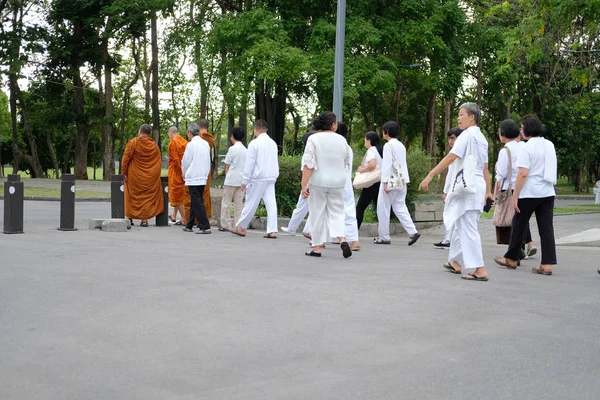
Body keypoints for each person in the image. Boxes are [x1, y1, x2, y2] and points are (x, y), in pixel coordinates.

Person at [419, 102, 492, 282]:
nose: (458, 118)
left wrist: (430, 174)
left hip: (466, 187)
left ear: (471, 117)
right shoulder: (482, 138)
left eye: (461, 114)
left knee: (467, 228)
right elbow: (485, 168)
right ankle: (455, 261)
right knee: (462, 225)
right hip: (476, 185)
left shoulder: (467, 135)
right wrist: (487, 190)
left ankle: (480, 269)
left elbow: (452, 156)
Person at [494, 114, 557, 276]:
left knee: (519, 224)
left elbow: (523, 173)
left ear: (528, 129)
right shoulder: (549, 144)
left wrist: (516, 196)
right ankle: (547, 264)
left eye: (522, 128)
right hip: (548, 191)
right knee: (546, 229)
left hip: (529, 192)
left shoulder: (526, 147)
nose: (520, 131)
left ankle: (512, 259)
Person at [301, 111, 352, 258]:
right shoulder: (342, 140)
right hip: (338, 181)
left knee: (317, 213)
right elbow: (346, 162)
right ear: (334, 124)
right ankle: (342, 238)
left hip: (319, 181)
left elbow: (308, 164)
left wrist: (304, 185)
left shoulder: (313, 139)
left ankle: (316, 247)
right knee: (337, 212)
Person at [495, 120, 537, 260]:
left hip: (510, 189)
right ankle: (521, 248)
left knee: (512, 222)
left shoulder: (505, 151)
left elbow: (500, 174)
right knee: (521, 221)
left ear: (503, 134)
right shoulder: (523, 147)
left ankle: (515, 253)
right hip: (524, 187)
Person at [373, 121, 421, 246]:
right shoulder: (401, 145)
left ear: (387, 131)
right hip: (402, 181)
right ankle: (413, 231)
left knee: (383, 209)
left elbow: (387, 165)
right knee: (400, 207)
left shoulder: (388, 146)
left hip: (390, 181)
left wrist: (385, 182)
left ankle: (384, 237)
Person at [231, 120, 279, 238]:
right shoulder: (273, 143)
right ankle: (272, 230)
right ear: (266, 130)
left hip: (258, 178)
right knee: (271, 203)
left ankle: (242, 227)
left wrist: (245, 180)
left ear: (256, 129)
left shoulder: (254, 143)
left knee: (251, 202)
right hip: (271, 177)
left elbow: (250, 163)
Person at [121, 123, 164, 227]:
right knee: (146, 198)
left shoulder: (133, 143)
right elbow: (158, 163)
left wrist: (124, 173)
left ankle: (129, 218)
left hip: (134, 176)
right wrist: (154, 176)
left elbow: (125, 159)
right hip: (149, 177)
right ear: (150, 134)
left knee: (131, 196)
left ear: (139, 131)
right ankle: (144, 220)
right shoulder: (154, 146)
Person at [280, 129, 316, 236]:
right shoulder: (319, 152)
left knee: (303, 208)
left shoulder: (307, 154)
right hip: (316, 184)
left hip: (310, 184)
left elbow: (305, 171)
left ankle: (299, 229)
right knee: (307, 208)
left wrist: (304, 185)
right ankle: (294, 228)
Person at [433, 127, 462, 249]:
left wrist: (446, 192)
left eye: (453, 138)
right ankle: (449, 239)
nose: (450, 141)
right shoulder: (455, 153)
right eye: (449, 138)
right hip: (455, 188)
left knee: (450, 214)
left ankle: (449, 240)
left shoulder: (456, 154)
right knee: (451, 214)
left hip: (456, 188)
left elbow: (451, 175)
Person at [181, 123, 212, 234]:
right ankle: (189, 224)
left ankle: (205, 226)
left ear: (189, 133)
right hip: (203, 175)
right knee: (196, 200)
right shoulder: (205, 143)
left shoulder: (191, 145)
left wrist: (184, 173)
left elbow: (186, 161)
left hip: (193, 176)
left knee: (197, 201)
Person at [219, 127, 247, 231]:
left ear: (233, 137)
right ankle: (237, 224)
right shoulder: (245, 150)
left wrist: (227, 175)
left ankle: (226, 224)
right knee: (238, 204)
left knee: (226, 203)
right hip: (241, 180)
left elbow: (227, 165)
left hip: (231, 179)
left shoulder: (232, 149)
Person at [355, 131, 383, 230]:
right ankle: (383, 233)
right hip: (380, 182)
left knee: (360, 208)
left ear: (369, 140)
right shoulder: (380, 150)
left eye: (365, 139)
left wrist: (361, 169)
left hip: (372, 183)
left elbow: (372, 165)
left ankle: (353, 232)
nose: (364, 141)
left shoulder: (371, 151)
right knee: (380, 209)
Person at [167, 126, 188, 225]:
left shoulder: (173, 143)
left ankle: (185, 219)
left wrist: (181, 172)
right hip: (185, 171)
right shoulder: (185, 142)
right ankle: (175, 216)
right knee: (181, 195)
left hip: (177, 172)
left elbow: (175, 160)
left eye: (169, 135)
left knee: (177, 196)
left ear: (171, 133)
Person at [198, 119, 215, 221]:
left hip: (197, 167)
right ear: (207, 128)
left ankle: (197, 217)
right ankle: (205, 216)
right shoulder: (210, 139)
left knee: (196, 194)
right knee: (205, 192)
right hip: (207, 168)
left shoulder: (197, 138)